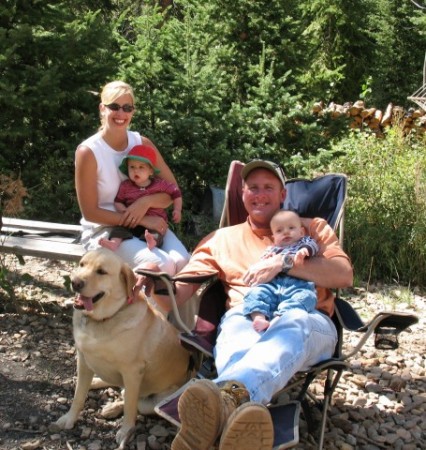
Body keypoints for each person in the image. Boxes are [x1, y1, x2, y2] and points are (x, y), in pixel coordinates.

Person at [138, 159, 353, 450]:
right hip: (246, 317)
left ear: (282, 195)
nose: (260, 194)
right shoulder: (220, 239)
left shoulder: (311, 229)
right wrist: (152, 277)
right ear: (242, 194)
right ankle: (234, 410)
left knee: (293, 323)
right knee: (236, 325)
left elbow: (343, 275)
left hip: (307, 319)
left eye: (268, 187)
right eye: (253, 187)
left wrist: (284, 262)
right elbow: (177, 296)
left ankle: (221, 400)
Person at [75, 80, 190, 275]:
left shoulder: (141, 143)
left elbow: (172, 191)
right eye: (114, 107)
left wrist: (146, 201)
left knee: (183, 262)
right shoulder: (89, 151)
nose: (121, 114)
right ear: (102, 108)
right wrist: (142, 220)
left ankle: (165, 306)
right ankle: (142, 305)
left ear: (133, 112)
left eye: (127, 108)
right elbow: (90, 213)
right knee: (161, 265)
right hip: (105, 231)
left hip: (149, 224)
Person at [243, 209, 319, 332]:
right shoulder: (272, 249)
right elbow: (262, 266)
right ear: (274, 237)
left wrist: (306, 250)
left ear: (301, 232)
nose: (286, 232)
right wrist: (265, 260)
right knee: (255, 293)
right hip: (273, 285)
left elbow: (313, 245)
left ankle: (279, 318)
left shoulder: (303, 242)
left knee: (307, 297)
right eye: (279, 230)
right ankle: (259, 317)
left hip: (298, 285)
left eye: (291, 228)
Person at [99, 144, 182, 252]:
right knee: (119, 229)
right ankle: (114, 243)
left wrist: (177, 209)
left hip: (154, 223)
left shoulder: (160, 184)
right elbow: (118, 201)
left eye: (141, 167)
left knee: (156, 232)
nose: (136, 171)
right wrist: (123, 210)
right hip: (132, 222)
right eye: (132, 167)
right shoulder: (126, 186)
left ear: (151, 171)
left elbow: (176, 192)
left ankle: (151, 241)